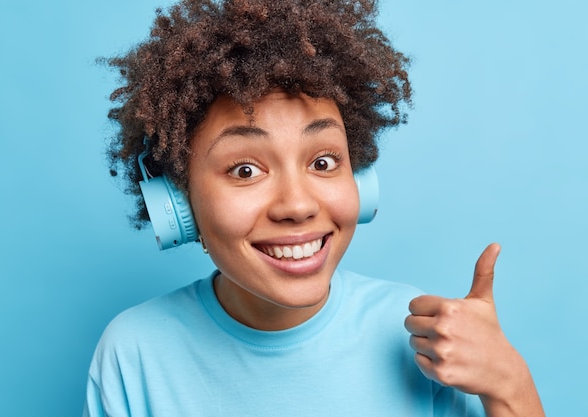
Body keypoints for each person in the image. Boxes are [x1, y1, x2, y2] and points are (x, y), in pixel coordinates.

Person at [84, 0, 544, 416]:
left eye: (323, 162)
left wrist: (508, 383)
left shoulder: (423, 336)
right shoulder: (135, 355)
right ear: (180, 205)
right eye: (245, 170)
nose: (298, 205)